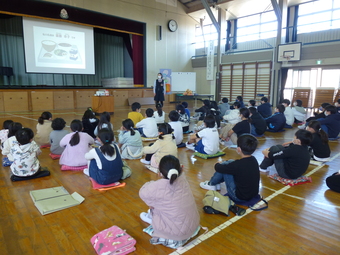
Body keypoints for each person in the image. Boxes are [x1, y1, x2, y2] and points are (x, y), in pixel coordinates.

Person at [139, 155, 200, 249]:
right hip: (193, 226)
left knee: (154, 205)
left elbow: (142, 193)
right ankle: (151, 216)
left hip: (175, 235)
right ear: (181, 169)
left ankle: (151, 218)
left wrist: (151, 203)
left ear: (160, 173)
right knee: (164, 204)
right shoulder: (183, 179)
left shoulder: (157, 186)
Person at [200, 134, 260, 204]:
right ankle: (215, 183)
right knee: (229, 163)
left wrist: (217, 164)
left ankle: (211, 184)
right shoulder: (254, 160)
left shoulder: (237, 165)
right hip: (252, 194)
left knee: (225, 167)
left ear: (239, 149)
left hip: (238, 197)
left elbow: (218, 168)